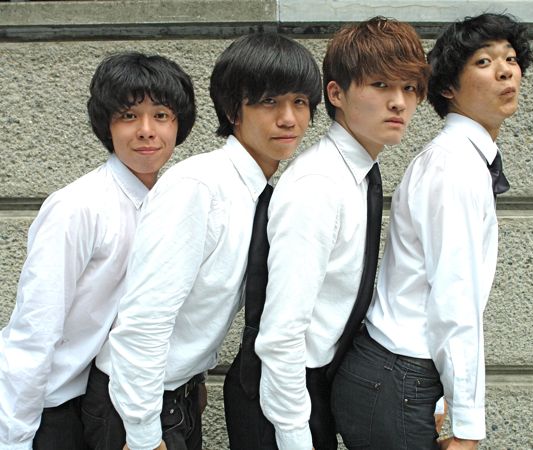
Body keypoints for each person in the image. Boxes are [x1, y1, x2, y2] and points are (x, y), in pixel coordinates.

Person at [84, 33, 322, 450]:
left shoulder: (259, 193)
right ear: (233, 110)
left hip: (177, 398)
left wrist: (193, 382)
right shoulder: (199, 186)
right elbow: (145, 319)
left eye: (299, 102)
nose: (288, 119)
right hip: (135, 410)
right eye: (269, 102)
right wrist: (143, 434)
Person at [331, 13, 533, 450]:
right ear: (447, 88)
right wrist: (467, 427)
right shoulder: (454, 167)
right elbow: (454, 300)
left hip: (397, 374)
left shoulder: (458, 160)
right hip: (396, 376)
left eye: (511, 59)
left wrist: (441, 393)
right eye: (484, 62)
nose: (505, 71)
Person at [247, 17, 430, 450]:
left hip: (320, 383)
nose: (399, 102)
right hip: (286, 397)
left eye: (409, 88)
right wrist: (295, 435)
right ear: (336, 94)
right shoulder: (318, 185)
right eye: (381, 85)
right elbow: (281, 333)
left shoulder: (357, 175)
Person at [0, 51, 196, 450]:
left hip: (116, 401)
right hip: (55, 408)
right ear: (107, 124)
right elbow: (34, 330)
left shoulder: (168, 203)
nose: (146, 130)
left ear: (179, 124)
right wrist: (15, 439)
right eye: (128, 116)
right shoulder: (77, 207)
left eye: (161, 115)